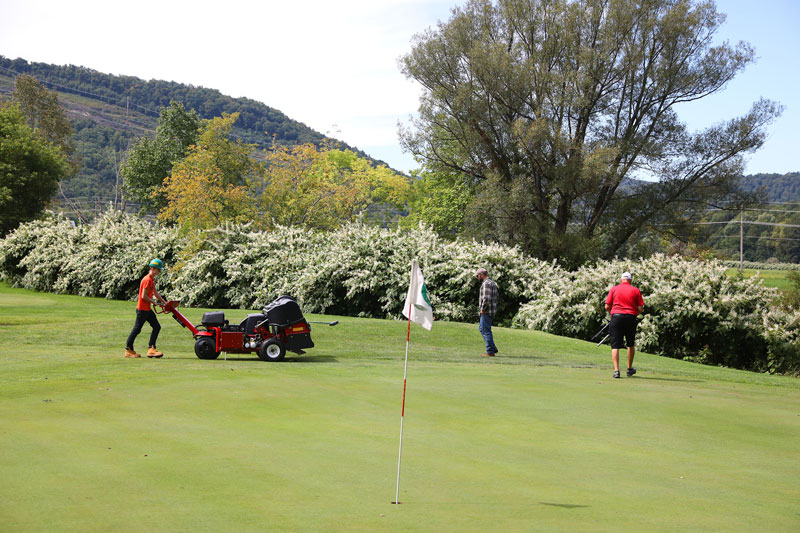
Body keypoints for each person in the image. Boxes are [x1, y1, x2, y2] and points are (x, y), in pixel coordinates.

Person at [125, 259, 167, 358]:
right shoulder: (147, 279)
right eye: (158, 270)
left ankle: (151, 349)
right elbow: (143, 296)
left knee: (156, 326)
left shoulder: (152, 279)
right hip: (142, 309)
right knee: (137, 329)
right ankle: (128, 350)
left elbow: (155, 293)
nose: (159, 272)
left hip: (147, 309)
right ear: (152, 268)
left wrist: (165, 303)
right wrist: (153, 302)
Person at [604, 272, 644, 378]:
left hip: (616, 317)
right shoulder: (636, 290)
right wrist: (634, 312)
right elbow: (640, 308)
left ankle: (616, 371)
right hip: (630, 318)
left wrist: (614, 313)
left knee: (615, 345)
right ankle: (629, 369)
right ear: (630, 280)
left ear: (621, 279)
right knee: (630, 343)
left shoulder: (614, 289)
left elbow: (607, 306)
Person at [475, 268, 499, 357]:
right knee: (482, 328)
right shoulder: (492, 283)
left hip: (487, 310)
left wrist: (483, 308)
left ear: (482, 274)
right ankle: (492, 347)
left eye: (478, 275)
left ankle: (490, 351)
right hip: (492, 309)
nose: (477, 277)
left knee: (485, 330)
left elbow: (486, 298)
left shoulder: (486, 284)